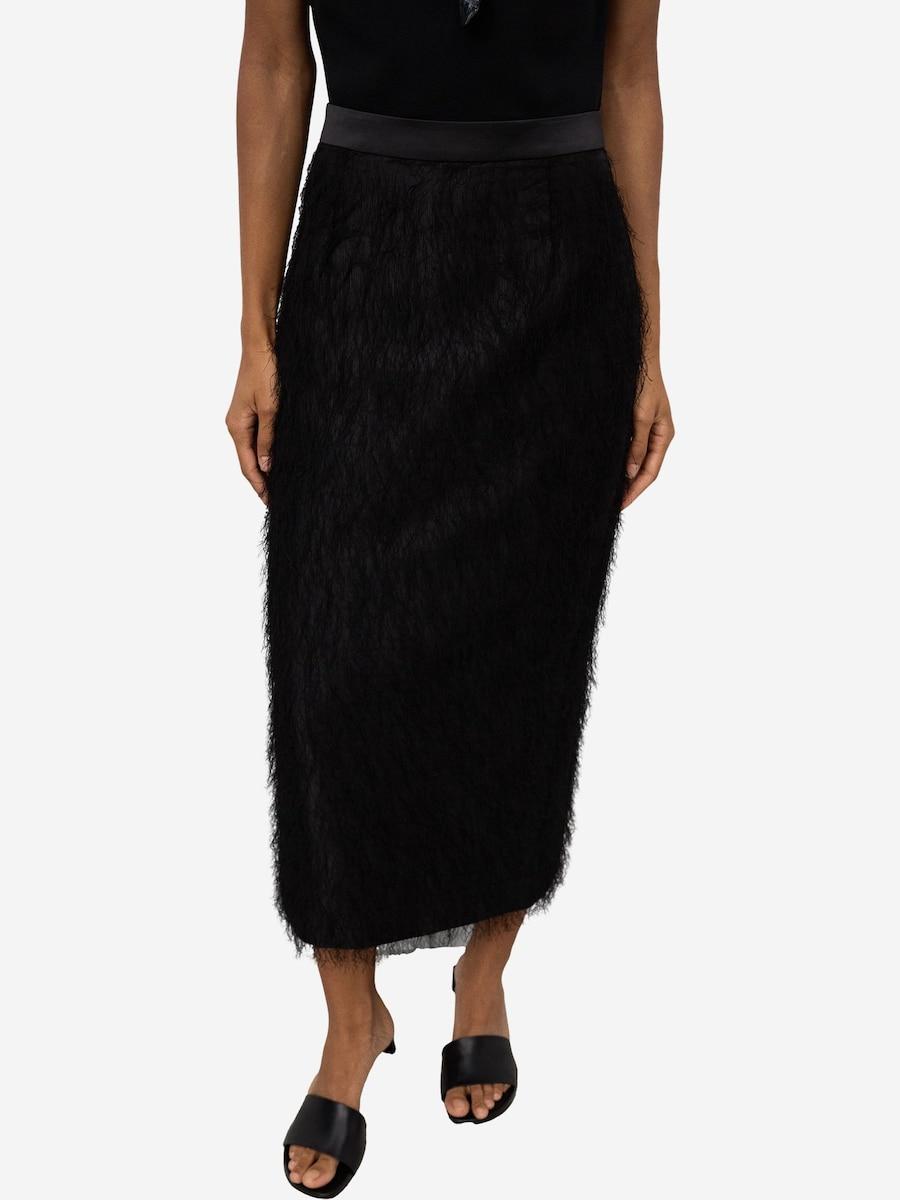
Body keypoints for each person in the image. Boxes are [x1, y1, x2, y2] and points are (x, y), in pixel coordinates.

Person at [227, 0, 674, 1193]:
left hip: (561, 273)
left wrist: (650, 341)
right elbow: (273, 62)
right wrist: (256, 332)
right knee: (332, 671)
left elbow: (631, 78)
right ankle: (350, 1018)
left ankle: (485, 970)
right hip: (362, 254)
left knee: (520, 658)